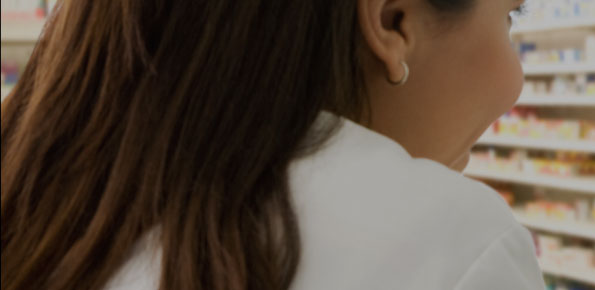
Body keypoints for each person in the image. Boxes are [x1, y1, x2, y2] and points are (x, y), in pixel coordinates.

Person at [0, 0, 544, 289]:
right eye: (510, 16)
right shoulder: (455, 243)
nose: (512, 79)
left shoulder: (40, 200)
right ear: (391, 20)